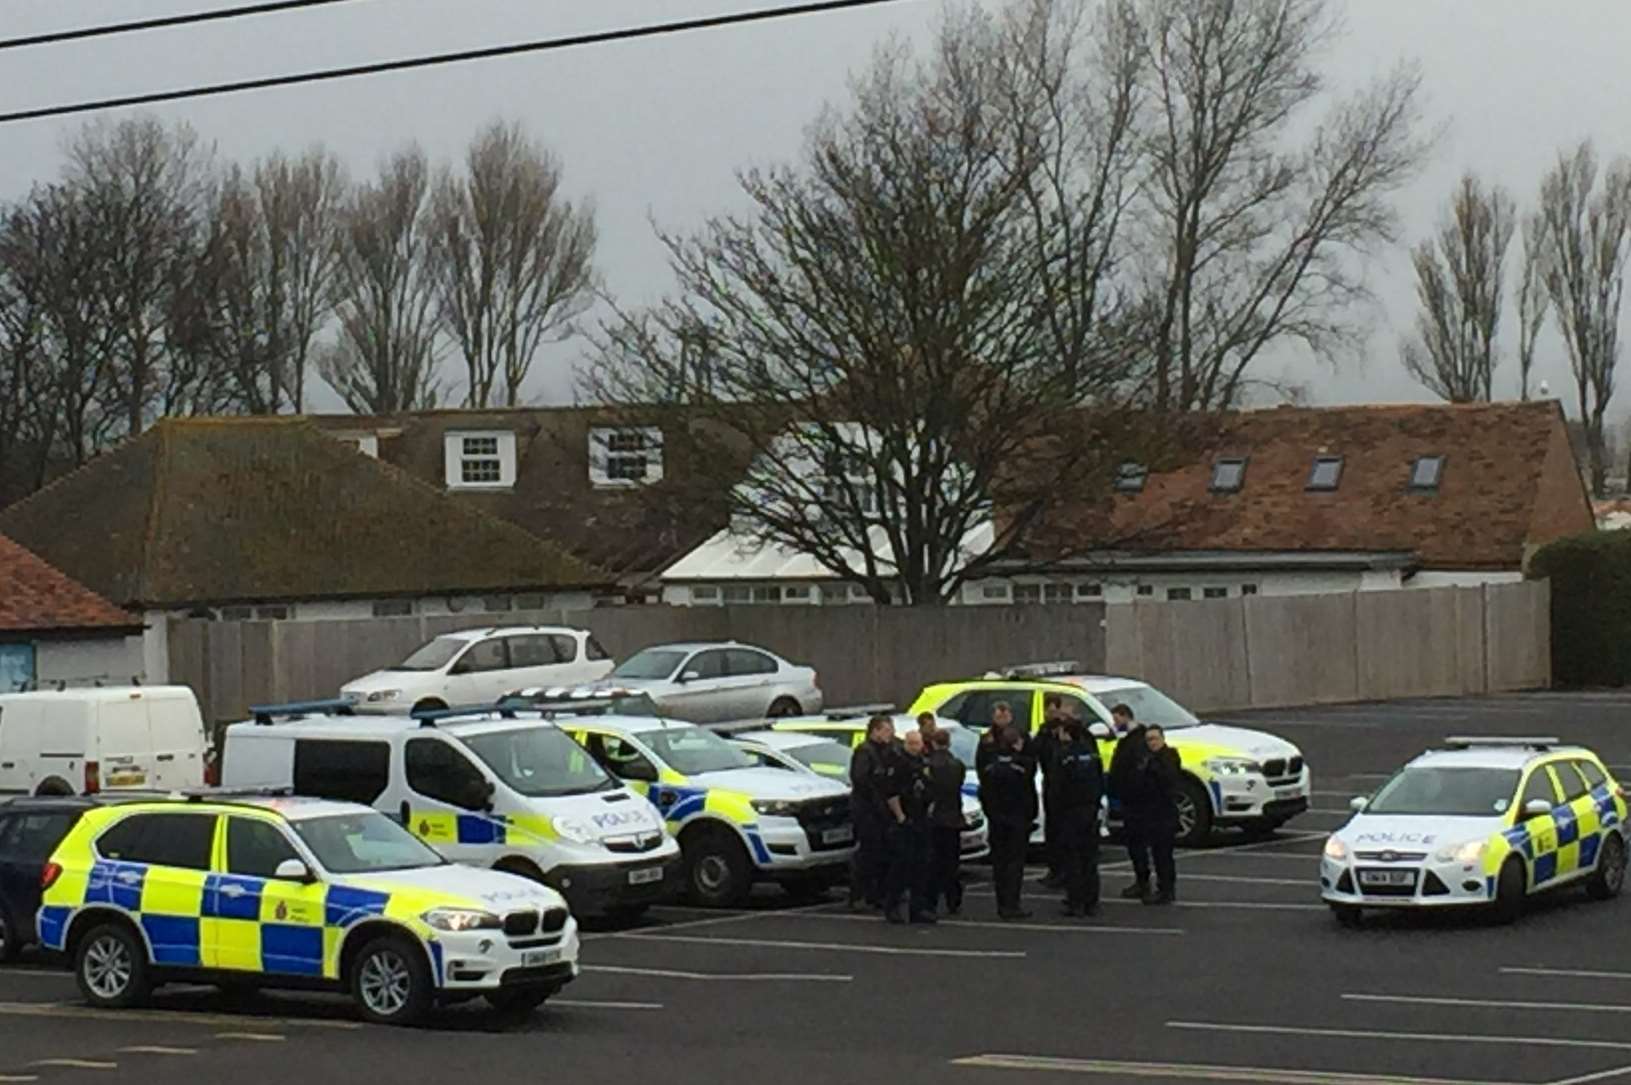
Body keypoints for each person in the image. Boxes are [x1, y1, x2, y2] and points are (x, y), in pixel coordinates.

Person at [979, 723, 1034, 921]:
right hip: (1016, 820)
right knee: (1014, 865)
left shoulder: (990, 765)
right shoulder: (1024, 765)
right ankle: (1013, 904)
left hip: (997, 820)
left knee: (999, 865)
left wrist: (991, 813)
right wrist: (1029, 816)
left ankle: (1002, 903)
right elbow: (1028, 794)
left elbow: (983, 792)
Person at [849, 715, 902, 911]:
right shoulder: (865, 752)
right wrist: (878, 799)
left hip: (883, 811)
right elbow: (861, 781)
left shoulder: (889, 751)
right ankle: (860, 895)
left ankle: (878, 893)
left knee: (883, 854)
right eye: (887, 730)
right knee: (868, 853)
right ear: (876, 730)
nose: (891, 734)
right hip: (867, 811)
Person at [882, 730, 935, 924]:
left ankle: (917, 909)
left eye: (917, 743)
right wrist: (901, 817)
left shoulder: (924, 762)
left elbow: (930, 789)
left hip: (921, 819)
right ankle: (892, 906)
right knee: (901, 866)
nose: (915, 747)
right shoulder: (899, 764)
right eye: (911, 743)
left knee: (921, 866)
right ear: (905, 744)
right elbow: (891, 793)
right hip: (905, 821)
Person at [1052, 720, 1104, 917]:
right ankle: (1092, 901)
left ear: (1066, 733)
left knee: (1072, 858)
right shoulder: (1092, 753)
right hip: (1090, 810)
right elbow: (1099, 781)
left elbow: (1057, 786)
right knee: (1089, 858)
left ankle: (1076, 901)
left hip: (1070, 811)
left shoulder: (1064, 756)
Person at [1105, 703, 1154, 900]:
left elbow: (1134, 771)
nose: (1115, 724)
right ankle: (1141, 881)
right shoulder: (1132, 739)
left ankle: (1143, 883)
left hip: (1136, 801)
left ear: (1126, 716)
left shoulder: (1137, 741)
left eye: (1117, 719)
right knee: (1135, 844)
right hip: (1130, 799)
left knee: (1138, 843)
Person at [924, 727, 967, 916]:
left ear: (933, 743)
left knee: (933, 863)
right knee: (951, 862)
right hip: (954, 818)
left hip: (935, 819)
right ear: (948, 743)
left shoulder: (929, 766)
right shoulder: (957, 765)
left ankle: (932, 902)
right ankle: (953, 898)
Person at [1138, 724, 1181, 905]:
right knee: (1157, 853)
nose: (1152, 743)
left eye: (1155, 738)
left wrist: (1152, 768)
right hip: (1152, 812)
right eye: (1149, 740)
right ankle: (1163, 888)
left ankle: (1167, 890)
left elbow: (1168, 779)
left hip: (1165, 813)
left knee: (1164, 854)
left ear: (1162, 738)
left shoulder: (1169, 757)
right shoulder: (1149, 758)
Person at [1033, 695, 1069, 888]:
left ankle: (1064, 871)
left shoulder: (1068, 730)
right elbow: (1038, 751)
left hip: (1064, 787)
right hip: (1051, 783)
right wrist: (1046, 732)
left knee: (1063, 831)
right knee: (1053, 830)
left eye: (1054, 709)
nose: (1051, 713)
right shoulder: (1045, 732)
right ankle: (1055, 869)